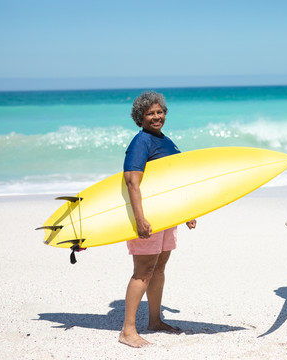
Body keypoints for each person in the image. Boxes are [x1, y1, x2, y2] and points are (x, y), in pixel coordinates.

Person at [119, 91, 197, 348]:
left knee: (159, 269)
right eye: (150, 113)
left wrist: (187, 211)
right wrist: (140, 219)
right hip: (148, 217)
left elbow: (175, 180)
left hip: (167, 216)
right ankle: (127, 331)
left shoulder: (166, 141)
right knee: (143, 271)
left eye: (159, 112)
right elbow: (132, 180)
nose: (156, 116)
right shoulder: (141, 141)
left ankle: (155, 320)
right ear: (139, 118)